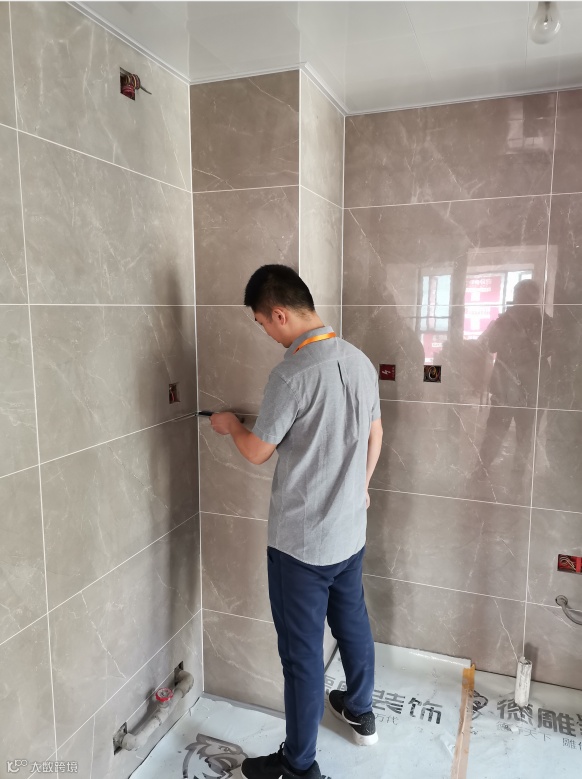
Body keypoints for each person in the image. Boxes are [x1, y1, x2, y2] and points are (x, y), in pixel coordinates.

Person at [209, 264, 383, 779]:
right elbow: (375, 434)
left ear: (280, 314)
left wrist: (230, 425)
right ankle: (360, 710)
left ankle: (298, 766)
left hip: (301, 547)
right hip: (349, 534)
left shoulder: (291, 374)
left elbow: (258, 451)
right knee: (352, 622)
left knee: (302, 658)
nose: (266, 332)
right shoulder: (358, 360)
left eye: (262, 323)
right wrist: (361, 487)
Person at [475, 278, 552, 474]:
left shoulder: (541, 322)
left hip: (523, 387)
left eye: (522, 296)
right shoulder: (514, 320)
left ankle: (489, 470)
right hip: (513, 387)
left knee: (513, 433)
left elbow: (548, 349)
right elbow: (491, 345)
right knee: (505, 432)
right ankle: (489, 469)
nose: (519, 300)